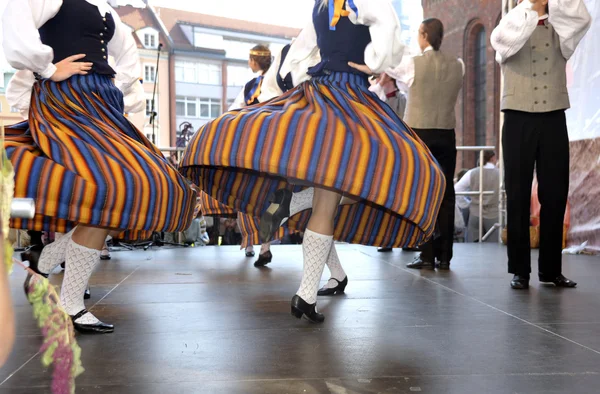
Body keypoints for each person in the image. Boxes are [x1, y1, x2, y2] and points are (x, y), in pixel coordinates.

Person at [181, 0, 445, 323]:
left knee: (334, 193)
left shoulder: (321, 5)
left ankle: (303, 212)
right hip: (351, 100)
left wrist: (282, 95)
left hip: (319, 96)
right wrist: (374, 62)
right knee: (368, 182)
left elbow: (297, 55)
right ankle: (306, 293)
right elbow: (389, 32)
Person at [2, 0, 198, 333]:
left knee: (146, 183)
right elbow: (13, 20)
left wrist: (116, 91)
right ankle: (69, 305)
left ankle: (46, 258)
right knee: (108, 187)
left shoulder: (107, 11)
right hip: (66, 103)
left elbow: (127, 58)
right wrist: (48, 70)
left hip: (103, 107)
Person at [491, 0, 590, 289]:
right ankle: (520, 270)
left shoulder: (563, 26)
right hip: (518, 117)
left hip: (553, 117)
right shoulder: (512, 21)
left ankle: (551, 270)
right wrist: (530, 11)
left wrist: (553, 6)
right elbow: (502, 44)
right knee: (518, 194)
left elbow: (583, 17)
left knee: (555, 194)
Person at [388, 18, 464, 270]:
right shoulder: (458, 65)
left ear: (423, 35)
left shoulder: (413, 64)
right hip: (446, 132)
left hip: (419, 132)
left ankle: (427, 253)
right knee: (446, 193)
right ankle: (445, 257)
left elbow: (387, 66)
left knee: (422, 191)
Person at [454, 151, 500, 242]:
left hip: (475, 213)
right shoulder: (500, 174)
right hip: (494, 214)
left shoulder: (472, 172)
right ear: (493, 158)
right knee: (494, 246)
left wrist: (466, 204)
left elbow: (457, 189)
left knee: (472, 245)